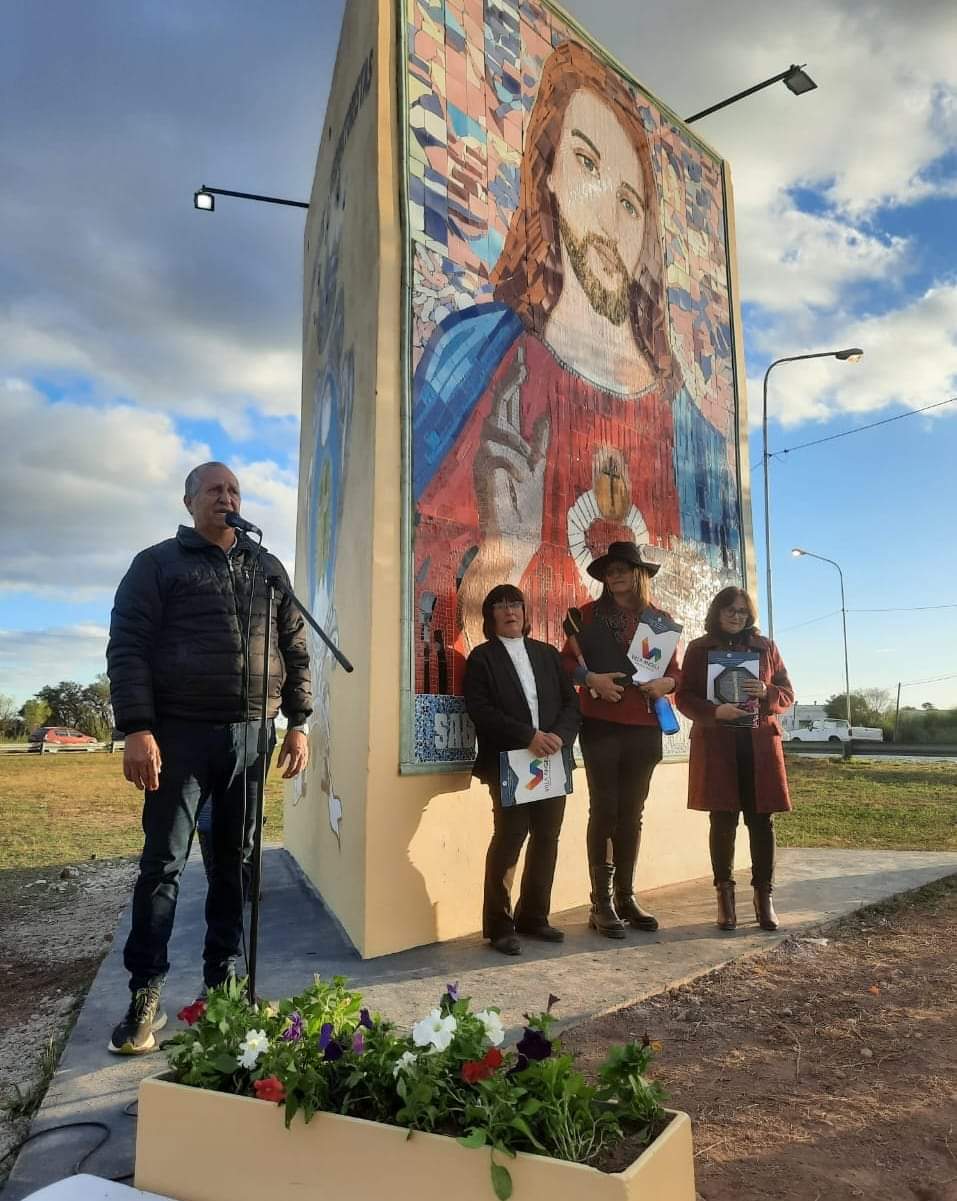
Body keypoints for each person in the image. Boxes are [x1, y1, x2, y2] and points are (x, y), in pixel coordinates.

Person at [412, 38, 738, 690]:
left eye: (629, 201)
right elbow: (421, 622)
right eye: (585, 163)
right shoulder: (472, 357)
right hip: (522, 707)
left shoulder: (693, 435)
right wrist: (507, 546)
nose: (608, 219)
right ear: (548, 172)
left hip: (619, 712)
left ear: (647, 229)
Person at [105, 462, 312, 1054]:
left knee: (237, 863)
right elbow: (128, 647)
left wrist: (297, 723)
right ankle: (146, 993)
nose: (228, 497)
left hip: (251, 737)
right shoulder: (156, 565)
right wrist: (138, 728)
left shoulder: (267, 569)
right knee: (164, 865)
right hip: (178, 738)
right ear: (190, 500)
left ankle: (224, 982)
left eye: (235, 491)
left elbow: (296, 649)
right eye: (216, 490)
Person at [560, 541, 679, 938]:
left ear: (639, 573)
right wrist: (589, 679)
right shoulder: (586, 617)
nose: (616, 576)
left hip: (645, 726)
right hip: (601, 723)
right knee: (605, 810)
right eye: (609, 571)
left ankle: (626, 896)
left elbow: (675, 673)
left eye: (623, 568)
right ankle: (601, 903)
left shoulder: (660, 620)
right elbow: (565, 663)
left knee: (632, 813)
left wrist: (667, 682)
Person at [464, 584, 580, 955]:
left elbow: (570, 705)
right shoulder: (482, 658)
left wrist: (558, 737)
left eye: (515, 603)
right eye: (499, 605)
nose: (509, 610)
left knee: (548, 837)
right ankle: (499, 926)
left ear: (526, 613)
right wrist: (529, 735)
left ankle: (534, 916)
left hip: (552, 759)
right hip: (509, 761)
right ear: (490, 616)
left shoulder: (547, 655)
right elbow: (480, 710)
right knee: (510, 837)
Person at [675, 586, 794, 932]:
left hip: (758, 747)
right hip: (718, 745)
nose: (736, 615)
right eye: (730, 609)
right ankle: (725, 899)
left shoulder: (765, 647)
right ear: (717, 611)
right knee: (722, 821)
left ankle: (764, 898)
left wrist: (767, 692)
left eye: (742, 611)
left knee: (761, 822)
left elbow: (787, 692)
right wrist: (715, 711)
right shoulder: (699, 649)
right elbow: (684, 697)